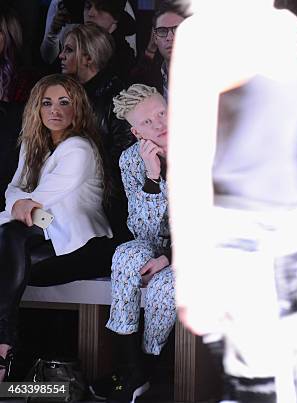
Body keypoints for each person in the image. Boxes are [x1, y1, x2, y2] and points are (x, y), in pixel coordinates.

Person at [168, 1, 297, 401]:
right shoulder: (203, 34)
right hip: (240, 231)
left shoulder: (286, 25)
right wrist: (191, 270)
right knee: (261, 383)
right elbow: (189, 157)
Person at [0, 74, 113, 382]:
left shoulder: (80, 149)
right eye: (47, 103)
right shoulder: (32, 144)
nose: (56, 110)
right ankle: (6, 348)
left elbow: (36, 199)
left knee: (8, 240)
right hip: (44, 232)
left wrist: (22, 204)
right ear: (37, 108)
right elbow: (13, 191)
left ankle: (4, 346)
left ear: (77, 108)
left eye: (65, 102)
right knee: (9, 241)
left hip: (84, 243)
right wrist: (20, 204)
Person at [87, 84, 173, 402]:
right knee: (125, 254)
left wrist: (170, 258)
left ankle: (144, 368)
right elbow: (141, 228)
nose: (160, 124)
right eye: (148, 122)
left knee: (165, 286)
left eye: (162, 113)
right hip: (154, 241)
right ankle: (131, 368)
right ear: (136, 132)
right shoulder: (132, 160)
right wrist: (152, 178)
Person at [59, 23, 134, 241]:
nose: (61, 56)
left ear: (88, 58)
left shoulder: (118, 96)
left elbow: (122, 156)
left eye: (69, 50)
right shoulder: (64, 95)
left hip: (104, 200)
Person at [41, 0, 137, 81]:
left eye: (101, 8)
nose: (90, 13)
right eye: (88, 6)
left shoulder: (123, 55)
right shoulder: (75, 41)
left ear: (116, 17)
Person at [129, 1, 188, 99]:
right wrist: (150, 49)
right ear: (155, 37)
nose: (169, 37)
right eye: (162, 31)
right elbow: (134, 89)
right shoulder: (154, 75)